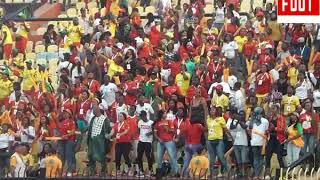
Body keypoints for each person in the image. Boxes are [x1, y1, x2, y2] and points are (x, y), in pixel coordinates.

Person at [87, 103, 111, 176]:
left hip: (100, 140)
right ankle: (92, 171)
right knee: (91, 155)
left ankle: (103, 172)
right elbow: (90, 128)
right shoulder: (93, 118)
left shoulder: (105, 119)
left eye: (93, 110)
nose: (92, 111)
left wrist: (106, 139)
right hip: (92, 139)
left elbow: (107, 131)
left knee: (101, 156)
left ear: (97, 110)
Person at [207, 106, 231, 178]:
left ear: (216, 111)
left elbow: (225, 129)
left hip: (219, 140)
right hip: (210, 140)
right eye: (211, 110)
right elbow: (207, 130)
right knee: (212, 158)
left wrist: (231, 137)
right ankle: (211, 174)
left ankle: (227, 170)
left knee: (221, 156)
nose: (212, 111)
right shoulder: (208, 119)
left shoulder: (220, 119)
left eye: (213, 110)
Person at [154, 110, 179, 177]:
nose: (166, 114)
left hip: (169, 142)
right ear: (161, 114)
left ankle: (177, 172)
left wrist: (167, 129)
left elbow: (174, 131)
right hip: (161, 142)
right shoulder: (157, 123)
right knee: (159, 157)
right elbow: (155, 133)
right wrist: (159, 139)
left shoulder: (169, 121)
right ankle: (159, 173)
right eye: (164, 113)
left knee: (172, 156)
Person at [248, 107, 269, 179]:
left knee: (259, 159)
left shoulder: (252, 121)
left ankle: (258, 174)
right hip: (256, 142)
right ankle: (257, 174)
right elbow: (250, 131)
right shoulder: (264, 121)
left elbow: (266, 132)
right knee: (257, 159)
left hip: (260, 143)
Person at [226, 110, 248, 177]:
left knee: (243, 159)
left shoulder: (247, 121)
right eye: (240, 115)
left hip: (243, 143)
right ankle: (239, 172)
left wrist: (239, 121)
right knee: (238, 159)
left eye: (242, 115)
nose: (241, 116)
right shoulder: (235, 122)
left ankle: (245, 173)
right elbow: (231, 127)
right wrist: (235, 121)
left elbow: (245, 127)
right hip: (236, 143)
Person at [57, 109, 76, 177]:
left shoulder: (72, 122)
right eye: (64, 113)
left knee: (69, 155)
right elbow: (60, 132)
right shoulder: (61, 122)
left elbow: (73, 132)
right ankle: (61, 171)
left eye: (66, 113)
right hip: (62, 141)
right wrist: (59, 136)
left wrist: (66, 135)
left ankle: (70, 170)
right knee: (62, 156)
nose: (64, 114)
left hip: (69, 140)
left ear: (69, 114)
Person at [136, 111, 154, 177]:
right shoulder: (140, 122)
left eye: (144, 116)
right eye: (141, 116)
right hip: (141, 141)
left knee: (148, 156)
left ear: (146, 115)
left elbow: (154, 131)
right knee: (139, 157)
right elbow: (138, 130)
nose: (143, 118)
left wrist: (150, 133)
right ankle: (141, 171)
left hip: (148, 142)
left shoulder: (151, 122)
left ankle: (150, 170)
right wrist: (138, 137)